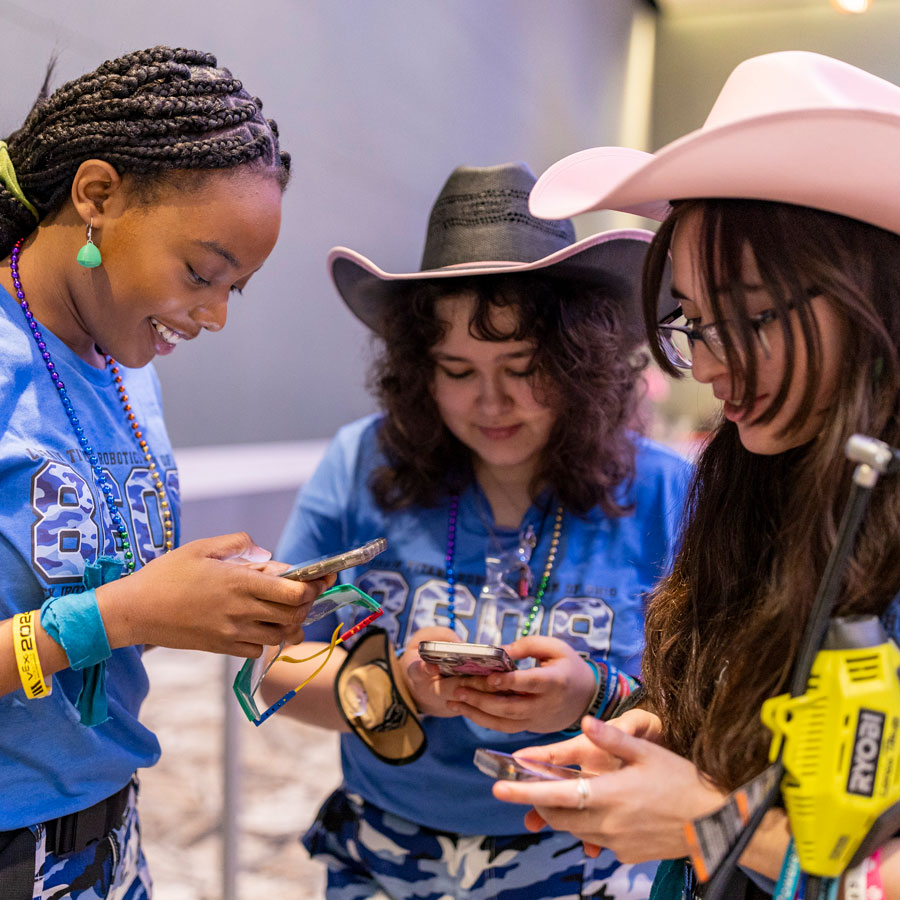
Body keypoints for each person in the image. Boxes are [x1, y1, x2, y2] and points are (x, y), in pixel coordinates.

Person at [491, 51, 900, 899]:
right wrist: (673, 729)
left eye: (746, 315)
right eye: (691, 321)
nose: (707, 365)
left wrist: (702, 820)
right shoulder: (771, 481)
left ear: (869, 298)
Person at [265, 161, 692, 900]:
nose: (490, 402)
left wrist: (594, 694)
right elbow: (273, 663)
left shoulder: (666, 490)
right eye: (456, 370)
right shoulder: (361, 461)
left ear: (581, 361)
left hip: (589, 857)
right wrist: (394, 688)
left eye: (523, 366)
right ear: (418, 371)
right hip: (384, 854)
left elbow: (711, 707)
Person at [0, 47, 330, 899]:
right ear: (98, 195)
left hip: (107, 841)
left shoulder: (124, 366)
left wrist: (214, 598)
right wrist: (124, 612)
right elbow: (104, 615)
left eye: (237, 290)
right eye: (201, 274)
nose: (214, 316)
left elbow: (102, 594)